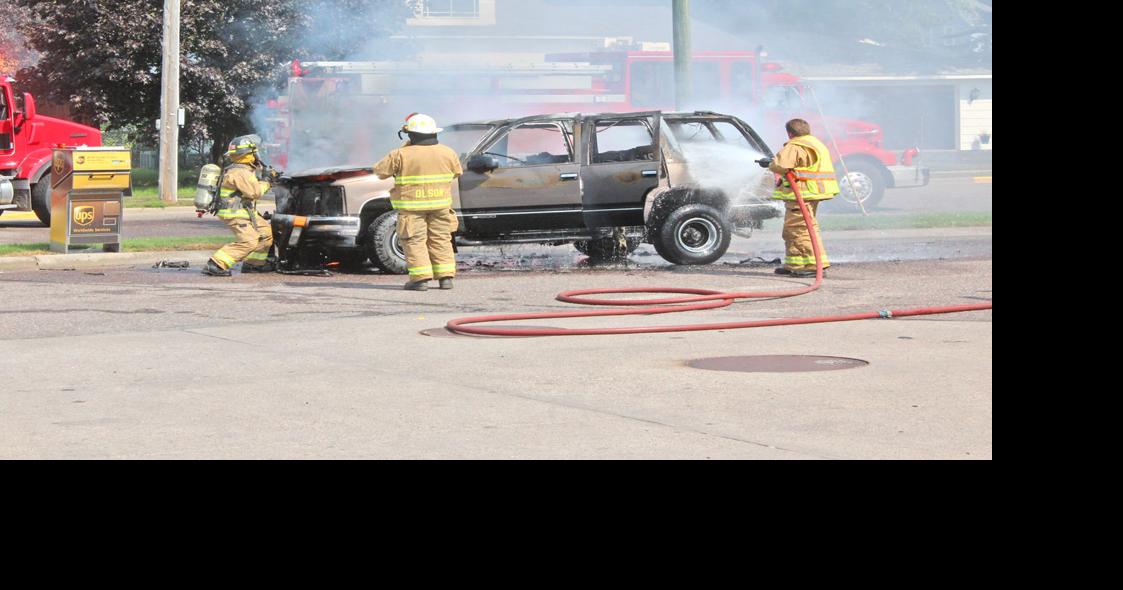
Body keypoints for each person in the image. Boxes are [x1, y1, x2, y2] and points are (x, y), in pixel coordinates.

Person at [373, 114, 463, 291]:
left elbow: (380, 171)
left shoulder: (400, 154)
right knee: (441, 239)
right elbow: (456, 172)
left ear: (410, 134)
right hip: (441, 206)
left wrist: (406, 147)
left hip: (412, 208)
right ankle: (445, 278)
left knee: (414, 241)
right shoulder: (448, 152)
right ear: (434, 133)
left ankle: (420, 280)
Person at [764, 118, 839, 278]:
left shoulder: (795, 145)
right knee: (794, 229)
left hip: (802, 194)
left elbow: (780, 165)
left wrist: (769, 164)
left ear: (790, 133)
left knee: (800, 230)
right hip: (811, 193)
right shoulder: (815, 143)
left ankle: (813, 266)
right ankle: (795, 264)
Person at [202, 135, 275, 277]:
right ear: (249, 154)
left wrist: (266, 177)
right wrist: (267, 181)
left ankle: (254, 264)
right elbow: (255, 192)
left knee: (265, 233)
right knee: (249, 241)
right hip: (235, 213)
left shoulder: (242, 169)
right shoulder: (240, 172)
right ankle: (216, 264)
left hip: (244, 211)